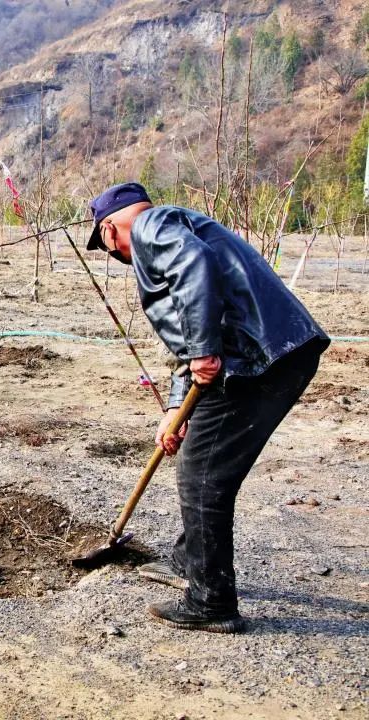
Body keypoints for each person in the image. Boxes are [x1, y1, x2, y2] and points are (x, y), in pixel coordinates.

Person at [86, 182, 329, 633]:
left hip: (262, 360)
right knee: (204, 457)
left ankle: (211, 600)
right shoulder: (179, 226)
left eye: (105, 245)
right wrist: (176, 412)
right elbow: (191, 322)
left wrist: (201, 349)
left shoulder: (151, 226)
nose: (114, 254)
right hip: (275, 354)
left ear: (108, 229)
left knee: (201, 474)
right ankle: (187, 560)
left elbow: (193, 274)